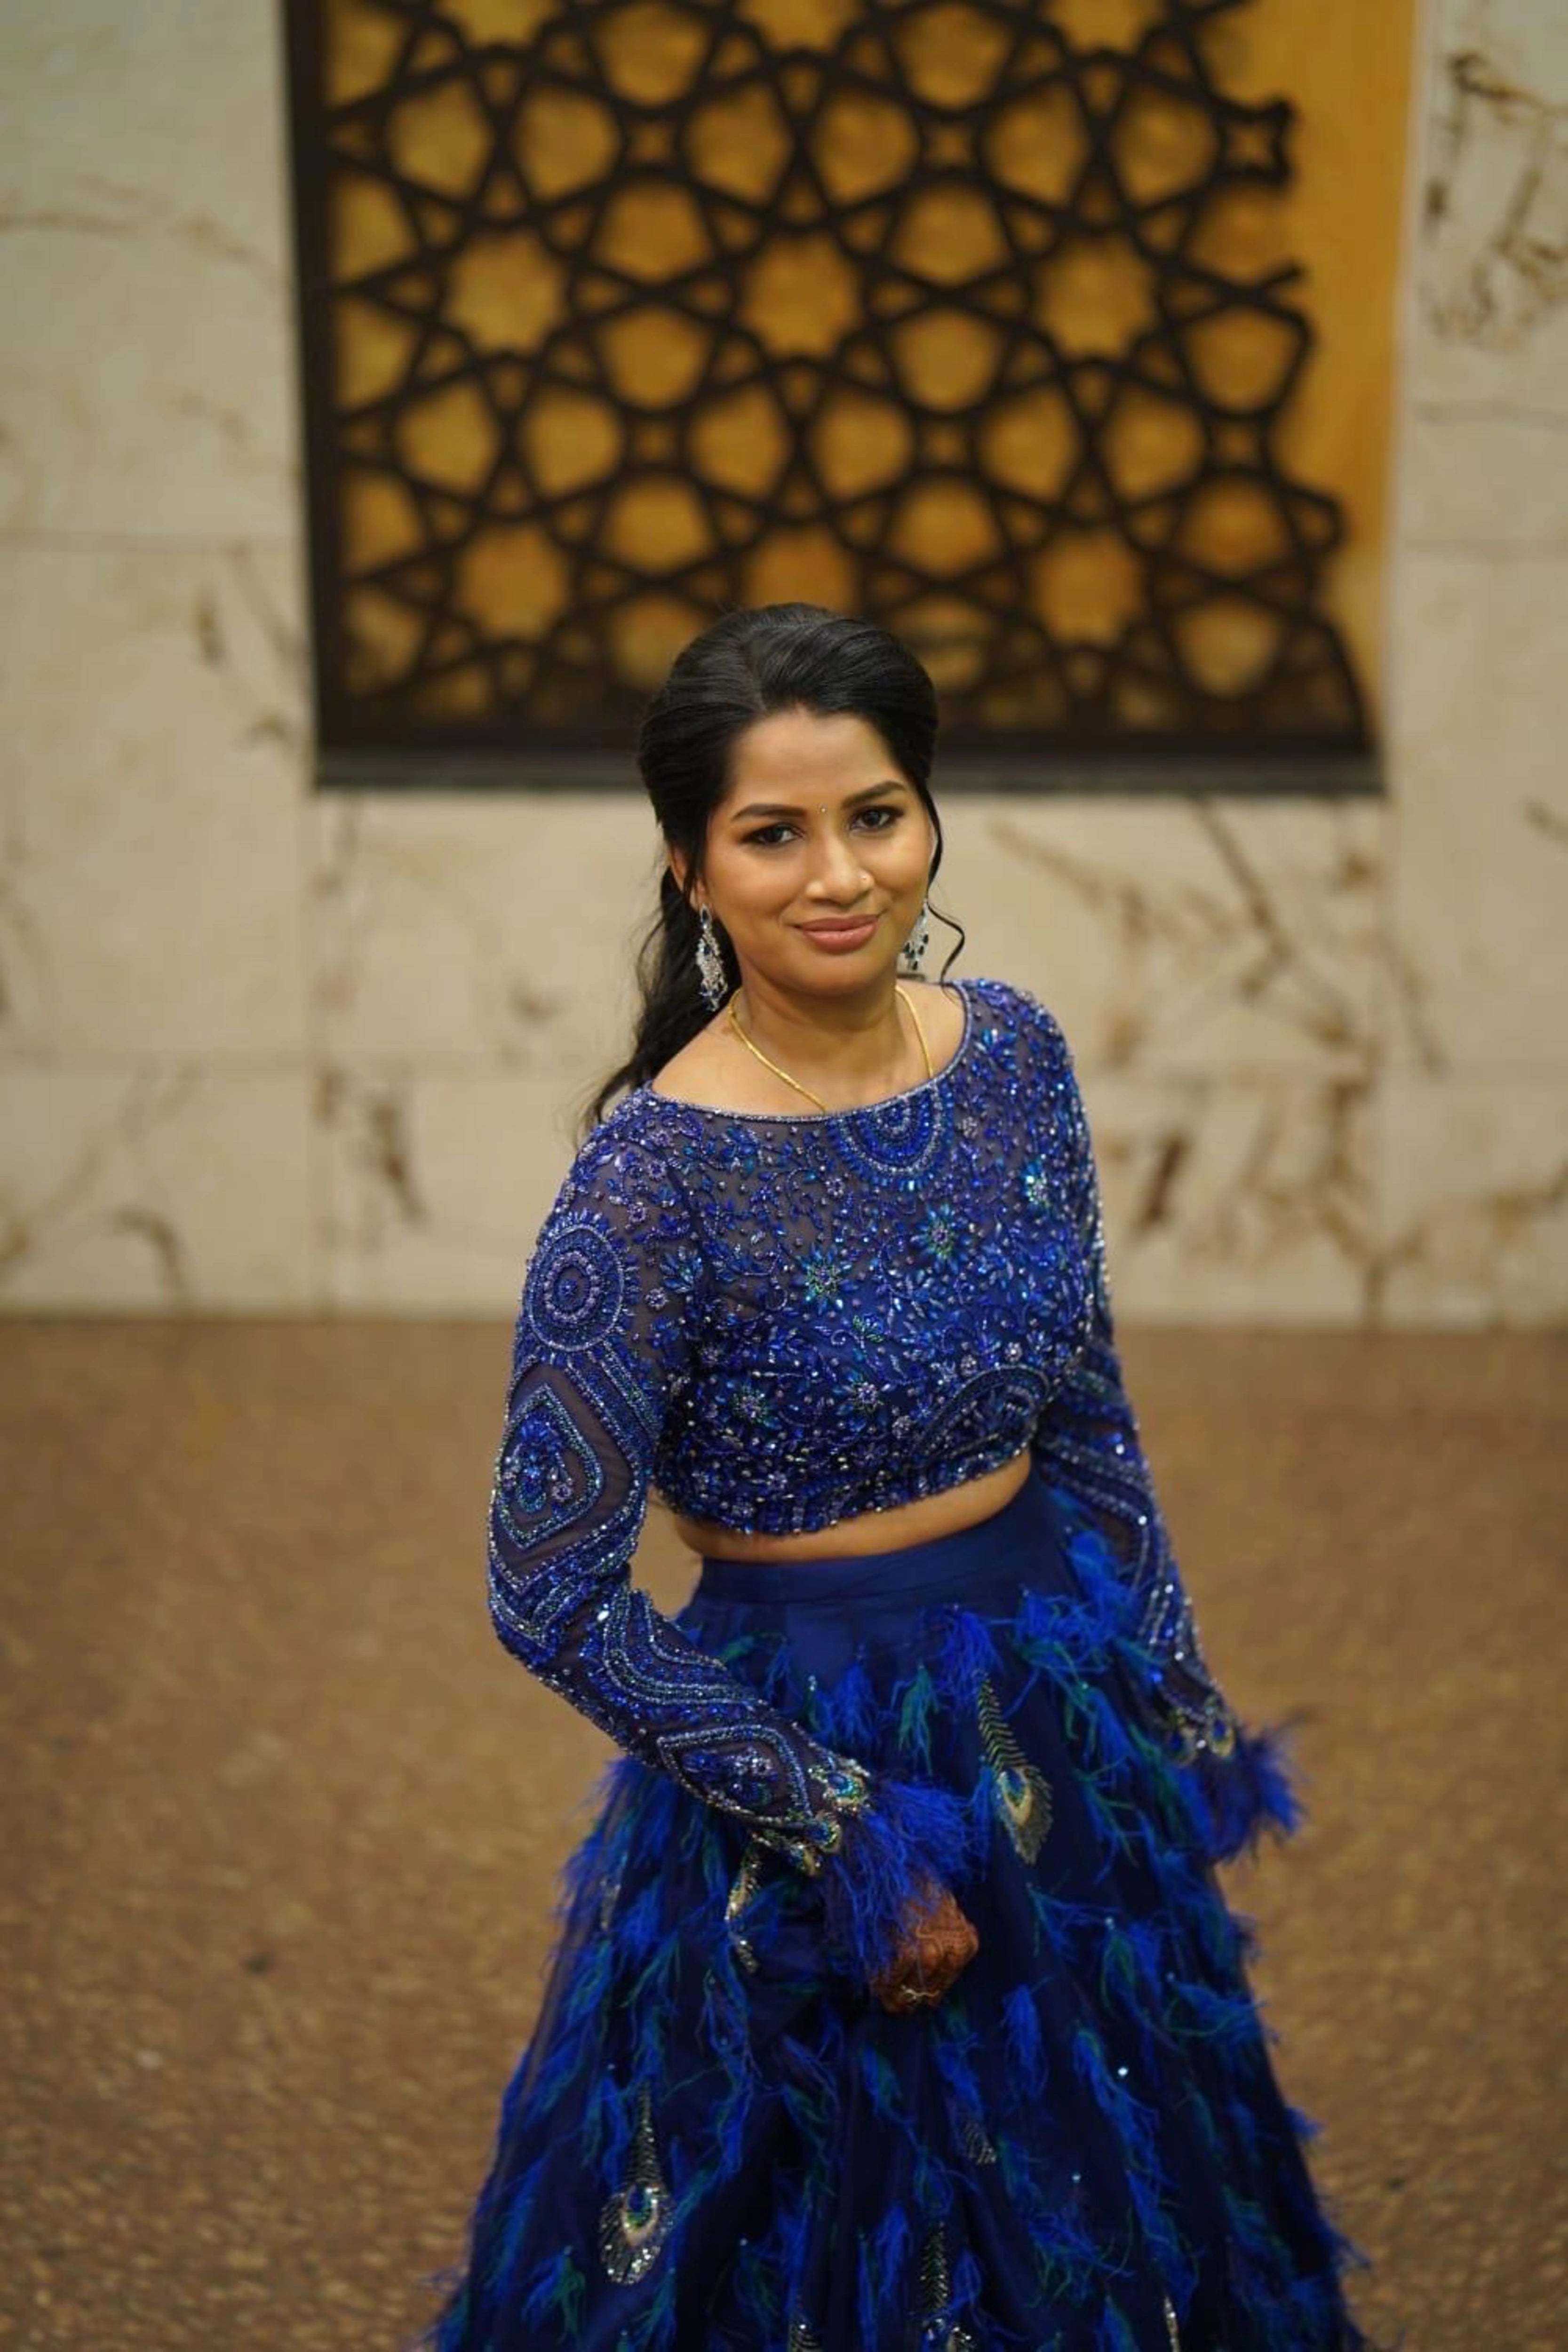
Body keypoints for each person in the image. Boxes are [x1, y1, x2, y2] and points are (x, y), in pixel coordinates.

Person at [419, 605, 1370, 2350]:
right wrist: (833, 1829)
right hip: (816, 1744)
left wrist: (1173, 1690)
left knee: (1122, 2197)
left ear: (929, 818)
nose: (837, 874)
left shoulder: (1013, 1056)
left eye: (875, 814)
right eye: (771, 833)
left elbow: (1081, 1403)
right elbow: (543, 1584)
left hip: (1059, 1701)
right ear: (694, 870)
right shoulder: (651, 1181)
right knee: (839, 2236)